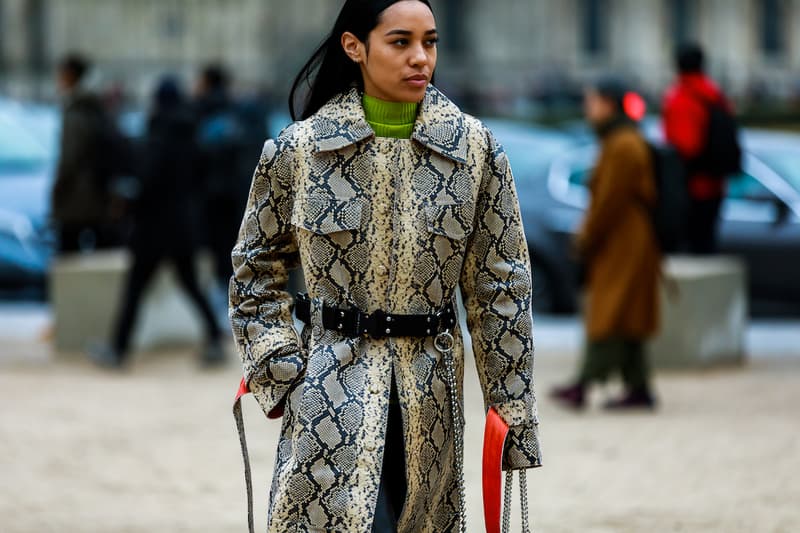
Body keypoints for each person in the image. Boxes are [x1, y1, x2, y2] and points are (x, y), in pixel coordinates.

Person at [229, 1, 542, 531]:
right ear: (355, 47)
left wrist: (511, 410)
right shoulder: (299, 151)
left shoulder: (476, 151)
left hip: (432, 392)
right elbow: (253, 270)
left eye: (431, 42)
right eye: (401, 42)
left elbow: (501, 289)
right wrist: (283, 375)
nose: (421, 58)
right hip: (329, 391)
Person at [89, 78, 224, 369]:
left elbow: (147, 181)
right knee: (190, 285)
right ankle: (215, 338)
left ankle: (117, 350)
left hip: (154, 228)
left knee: (135, 288)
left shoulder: (159, 134)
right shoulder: (193, 134)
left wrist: (129, 204)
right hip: (184, 226)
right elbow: (202, 179)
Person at [551, 79, 661, 410]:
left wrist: (587, 236)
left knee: (608, 311)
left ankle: (584, 384)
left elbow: (609, 201)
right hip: (626, 237)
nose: (588, 108)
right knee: (626, 312)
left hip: (624, 238)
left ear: (608, 104)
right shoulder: (621, 140)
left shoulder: (623, 144)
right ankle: (638, 386)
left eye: (592, 101)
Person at [662, 43, 736, 254]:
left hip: (692, 187)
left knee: (691, 251)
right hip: (716, 184)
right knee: (707, 244)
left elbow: (684, 147)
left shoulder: (681, 97)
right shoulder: (715, 94)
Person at [51, 54, 122, 253]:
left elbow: (70, 157)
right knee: (100, 253)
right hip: (99, 192)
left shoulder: (76, 110)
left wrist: (57, 189)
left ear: (70, 75)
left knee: (68, 256)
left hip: (76, 197)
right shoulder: (96, 107)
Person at [194, 64, 251, 290]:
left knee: (216, 244)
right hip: (234, 187)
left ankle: (222, 290)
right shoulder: (236, 110)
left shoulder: (200, 109)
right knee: (231, 242)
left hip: (210, 189)